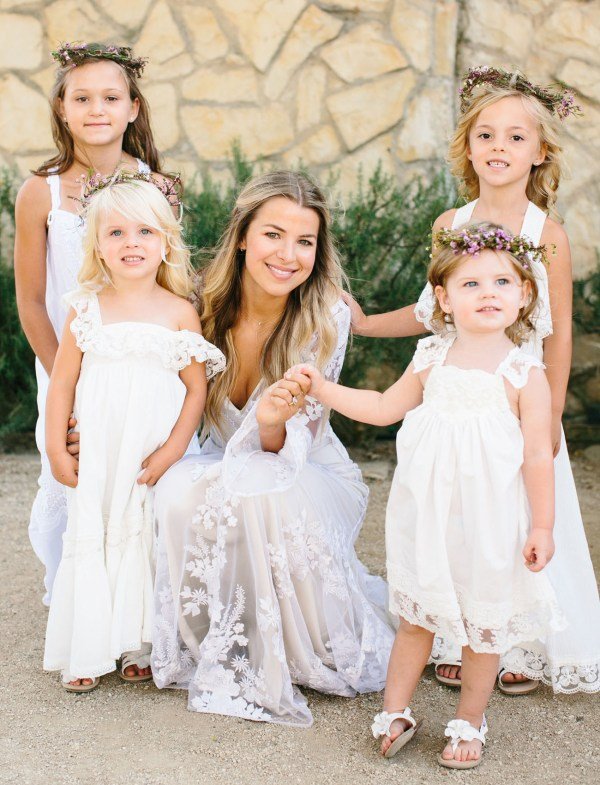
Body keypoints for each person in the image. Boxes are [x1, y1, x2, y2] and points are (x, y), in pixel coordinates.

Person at [343, 66, 600, 695]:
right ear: (468, 148)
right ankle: (454, 635)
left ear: (540, 152)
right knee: (459, 519)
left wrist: (553, 411)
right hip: (460, 401)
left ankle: (521, 644)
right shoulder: (448, 222)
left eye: (516, 138)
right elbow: (434, 308)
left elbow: (559, 331)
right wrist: (368, 323)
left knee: (517, 525)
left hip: (520, 397)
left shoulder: (550, 237)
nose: (499, 148)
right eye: (485, 135)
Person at [294, 223, 564, 767]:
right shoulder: (430, 358)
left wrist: (542, 525)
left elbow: (539, 455)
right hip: (429, 515)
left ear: (524, 295)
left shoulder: (523, 373)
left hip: (488, 521)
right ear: (442, 298)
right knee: (417, 617)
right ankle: (395, 708)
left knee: (480, 627)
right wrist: (321, 387)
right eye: (470, 284)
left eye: (502, 282)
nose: (488, 292)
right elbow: (379, 407)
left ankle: (470, 718)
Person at [151, 170, 395, 727]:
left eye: (305, 242)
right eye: (273, 235)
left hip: (304, 466)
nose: (288, 255)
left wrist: (269, 423)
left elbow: (294, 446)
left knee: (259, 489)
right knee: (175, 491)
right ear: (242, 236)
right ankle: (204, 633)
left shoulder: (324, 315)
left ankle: (289, 639)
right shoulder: (195, 304)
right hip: (215, 458)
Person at [43, 174, 225, 692]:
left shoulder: (178, 312)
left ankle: (140, 644)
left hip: (150, 451)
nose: (131, 244)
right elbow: (62, 385)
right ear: (97, 246)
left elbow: (195, 391)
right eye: (116, 233)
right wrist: (57, 445)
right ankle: (88, 647)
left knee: (144, 537)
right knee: (96, 530)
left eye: (145, 232)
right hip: (102, 448)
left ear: (166, 241)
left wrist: (172, 450)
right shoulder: (86, 308)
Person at [14, 41, 169, 606]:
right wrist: (66, 380)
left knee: (136, 473)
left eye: (110, 96)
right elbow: (32, 301)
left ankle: (137, 613)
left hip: (141, 363)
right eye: (82, 97)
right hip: (64, 365)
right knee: (75, 470)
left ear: (133, 107)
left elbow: (173, 283)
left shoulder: (159, 188)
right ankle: (78, 607)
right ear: (62, 108)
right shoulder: (41, 193)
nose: (96, 108)